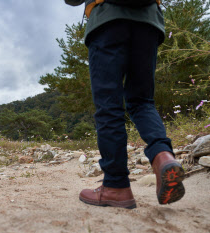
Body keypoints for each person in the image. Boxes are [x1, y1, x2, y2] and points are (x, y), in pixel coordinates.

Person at [64, 0, 185, 208]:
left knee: (109, 106)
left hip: (107, 21)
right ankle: (163, 156)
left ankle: (116, 186)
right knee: (142, 101)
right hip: (148, 21)